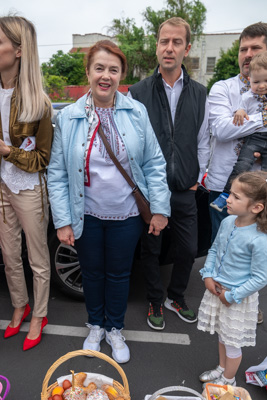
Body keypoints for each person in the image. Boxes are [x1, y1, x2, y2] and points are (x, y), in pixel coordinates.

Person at [47, 40, 170, 363]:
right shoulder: (69, 117)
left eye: (113, 70)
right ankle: (95, 326)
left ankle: (115, 329)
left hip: (127, 215)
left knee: (118, 274)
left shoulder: (136, 111)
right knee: (91, 273)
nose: (106, 75)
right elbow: (58, 172)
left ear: (121, 76)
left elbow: (154, 163)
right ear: (88, 73)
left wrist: (159, 209)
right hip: (84, 213)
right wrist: (62, 220)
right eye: (99, 68)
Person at [128, 17, 210, 329]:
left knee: (188, 249)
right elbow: (131, 142)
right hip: (151, 190)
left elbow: (204, 141)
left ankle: (175, 296)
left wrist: (196, 180)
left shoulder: (200, 93)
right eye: (164, 41)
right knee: (152, 248)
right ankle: (153, 300)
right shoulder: (137, 92)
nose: (169, 48)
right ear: (157, 45)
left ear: (186, 49)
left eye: (177, 42)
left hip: (185, 188)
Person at [0, 16, 53, 350]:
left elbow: (42, 159)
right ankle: (20, 305)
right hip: (2, 186)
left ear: (18, 50)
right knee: (7, 254)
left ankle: (40, 314)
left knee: (37, 258)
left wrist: (7, 151)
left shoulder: (39, 102)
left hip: (29, 187)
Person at [197, 171, 267, 388]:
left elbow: (260, 277)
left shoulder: (259, 239)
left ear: (256, 207)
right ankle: (221, 368)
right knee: (222, 335)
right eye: (230, 194)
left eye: (236, 197)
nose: (228, 199)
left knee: (233, 344)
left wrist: (232, 295)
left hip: (235, 298)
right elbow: (215, 248)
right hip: (218, 290)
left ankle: (228, 380)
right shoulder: (228, 221)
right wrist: (207, 274)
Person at [206, 22, 267, 243]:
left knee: (257, 255)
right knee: (222, 248)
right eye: (243, 49)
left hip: (261, 190)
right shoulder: (223, 88)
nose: (248, 55)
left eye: (255, 48)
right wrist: (263, 118)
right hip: (223, 186)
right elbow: (221, 129)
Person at [211, 51, 267, 212]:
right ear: (250, 80)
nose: (261, 86)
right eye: (257, 82)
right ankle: (226, 195)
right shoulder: (247, 95)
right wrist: (245, 113)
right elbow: (224, 127)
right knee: (241, 165)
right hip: (255, 138)